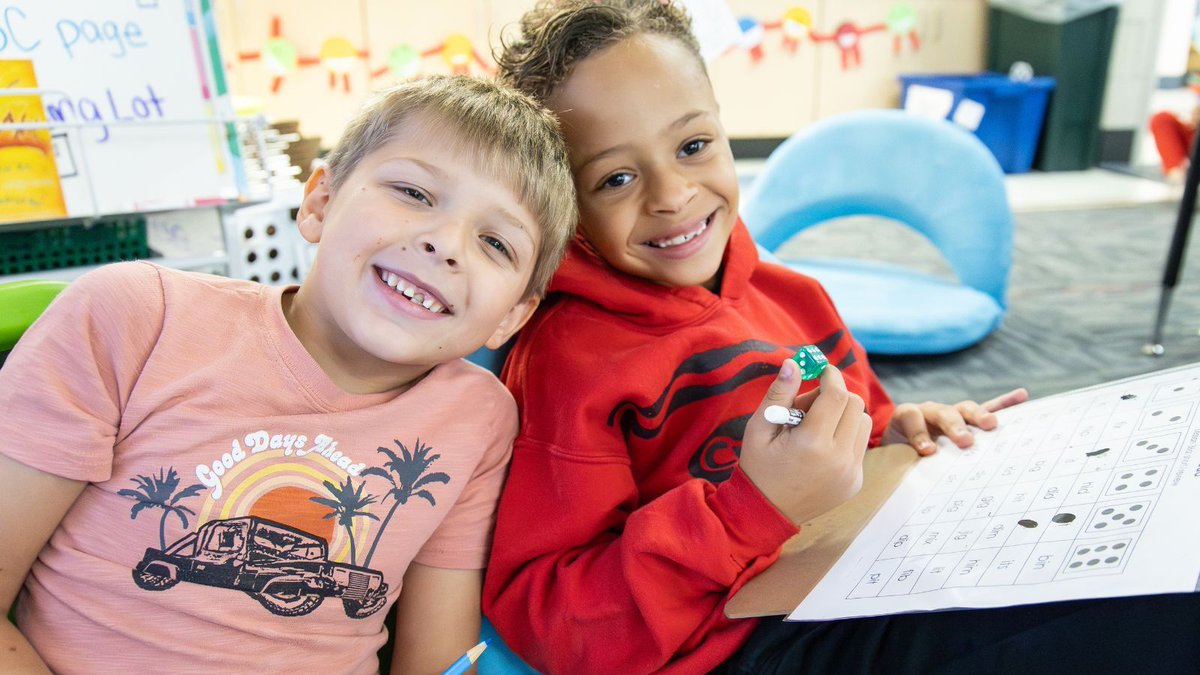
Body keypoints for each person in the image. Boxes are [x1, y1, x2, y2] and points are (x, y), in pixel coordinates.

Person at [481, 2, 1200, 674]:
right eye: (615, 178)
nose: (670, 194)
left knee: (1145, 563)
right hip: (745, 643)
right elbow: (552, 618)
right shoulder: (566, 361)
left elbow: (860, 422)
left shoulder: (790, 298)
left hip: (869, 568)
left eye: (694, 145)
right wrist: (747, 508)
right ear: (565, 206)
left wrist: (903, 432)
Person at [0, 75, 576, 673]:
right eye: (413, 192)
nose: (446, 244)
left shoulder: (479, 419)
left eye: (495, 243)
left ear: (512, 314)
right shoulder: (134, 316)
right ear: (319, 202)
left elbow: (436, 661)